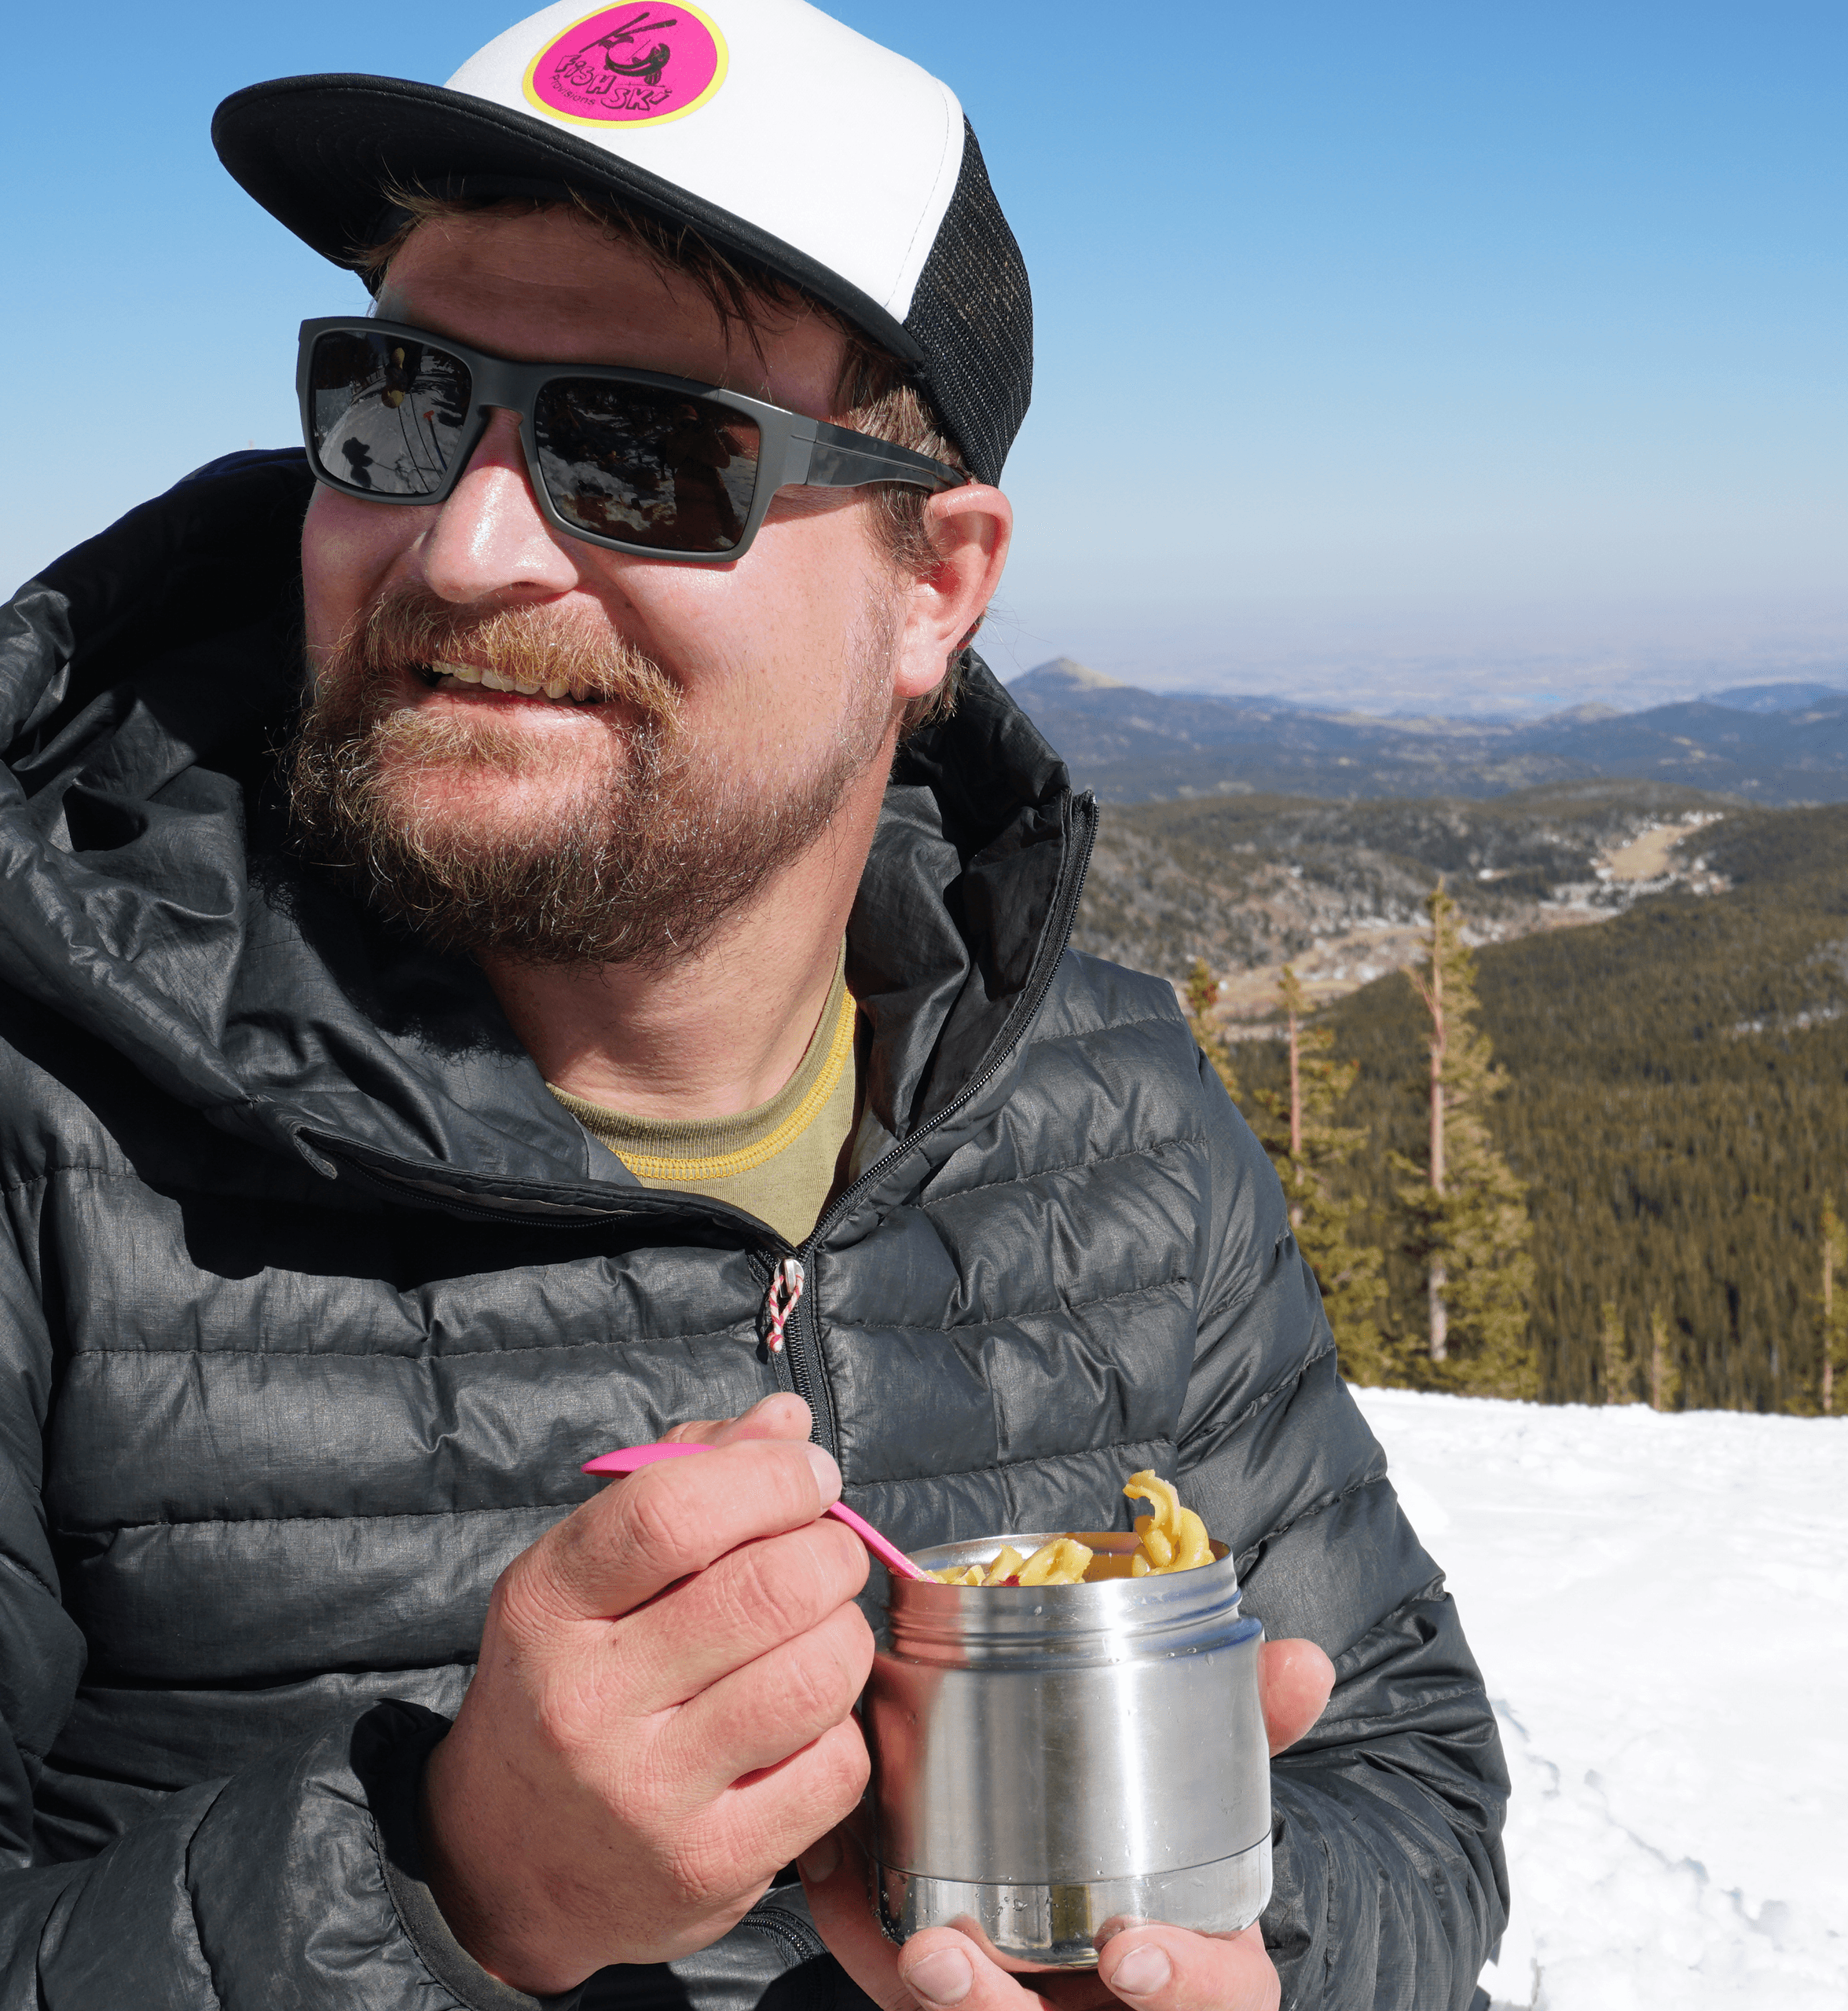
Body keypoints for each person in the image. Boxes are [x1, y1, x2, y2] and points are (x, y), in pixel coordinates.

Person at [0, 3, 1509, 2007]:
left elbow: (1406, 1769)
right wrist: (455, 1880)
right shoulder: (43, 1128)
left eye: (644, 449)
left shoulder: (1112, 1109)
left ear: (932, 584)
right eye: (398, 399)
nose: (463, 537)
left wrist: (1221, 1930)